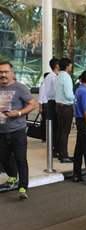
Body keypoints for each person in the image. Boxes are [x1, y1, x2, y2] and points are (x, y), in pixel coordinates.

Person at [0, 61, 37, 199]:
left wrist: (19, 113)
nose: (3, 74)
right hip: (1, 132)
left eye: (5, 72)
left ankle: (22, 188)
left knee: (20, 159)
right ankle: (12, 177)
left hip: (17, 131)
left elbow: (33, 103)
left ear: (12, 73)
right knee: (3, 159)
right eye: (0, 72)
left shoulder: (19, 88)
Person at [55, 58, 74, 163]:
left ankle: (59, 153)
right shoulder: (66, 77)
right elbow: (69, 95)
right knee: (65, 132)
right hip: (66, 107)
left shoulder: (59, 75)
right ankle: (64, 156)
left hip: (58, 106)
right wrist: (76, 98)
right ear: (67, 66)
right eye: (70, 65)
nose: (71, 67)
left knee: (60, 130)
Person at [43, 58, 60, 155]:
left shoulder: (55, 76)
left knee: (56, 127)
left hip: (54, 102)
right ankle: (53, 150)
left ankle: (55, 148)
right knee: (53, 127)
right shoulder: (51, 77)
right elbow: (52, 91)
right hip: (52, 102)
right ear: (56, 65)